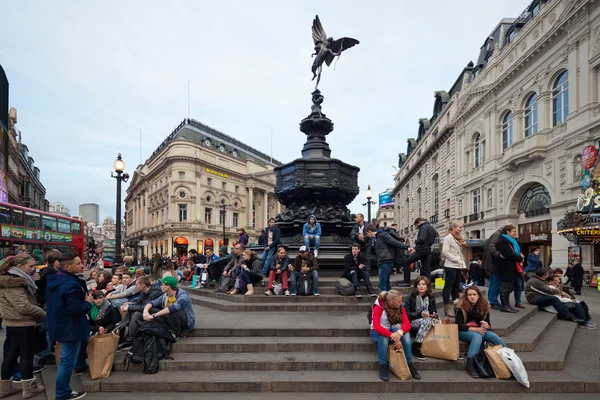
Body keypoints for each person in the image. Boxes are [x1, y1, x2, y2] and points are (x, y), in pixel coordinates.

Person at [0, 254, 46, 399]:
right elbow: (23, 306)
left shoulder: (14, 279)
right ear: (19, 267)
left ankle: (4, 388)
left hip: (13, 322)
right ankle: (29, 388)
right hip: (22, 322)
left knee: (12, 354)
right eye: (31, 266)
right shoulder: (14, 282)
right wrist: (41, 312)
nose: (34, 269)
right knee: (27, 354)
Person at [46, 253, 91, 400]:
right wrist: (88, 302)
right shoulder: (71, 284)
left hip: (59, 325)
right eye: (78, 263)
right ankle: (63, 393)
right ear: (67, 266)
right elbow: (75, 309)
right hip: (70, 328)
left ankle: (63, 390)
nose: (82, 266)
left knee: (66, 360)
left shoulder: (55, 279)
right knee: (66, 362)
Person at [369, 290, 420, 382]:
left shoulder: (400, 307)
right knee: (383, 336)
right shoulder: (378, 307)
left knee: (406, 334)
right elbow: (377, 327)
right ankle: (383, 365)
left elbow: (407, 324)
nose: (401, 303)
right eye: (399, 301)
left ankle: (409, 364)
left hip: (393, 330)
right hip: (377, 332)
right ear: (391, 302)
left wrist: (399, 333)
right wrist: (392, 335)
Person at [456, 286, 506, 378]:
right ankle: (470, 365)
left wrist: (487, 325)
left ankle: (508, 357)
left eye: (474, 294)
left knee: (493, 336)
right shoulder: (461, 306)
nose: (472, 297)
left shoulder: (484, 306)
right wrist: (475, 329)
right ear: (466, 296)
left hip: (480, 330)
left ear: (478, 295)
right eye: (469, 295)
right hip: (464, 331)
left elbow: (489, 325)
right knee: (477, 336)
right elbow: (458, 325)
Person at [525, 269, 589, 327]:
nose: (548, 276)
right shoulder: (536, 281)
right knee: (554, 299)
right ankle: (568, 316)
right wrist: (560, 292)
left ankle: (572, 316)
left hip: (537, 296)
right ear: (543, 275)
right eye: (547, 275)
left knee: (554, 299)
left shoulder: (537, 280)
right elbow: (548, 290)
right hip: (534, 298)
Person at [116, 276, 163, 352]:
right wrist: (130, 304)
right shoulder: (144, 292)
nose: (135, 286)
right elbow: (139, 302)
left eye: (137, 284)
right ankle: (120, 335)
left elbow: (146, 307)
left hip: (157, 313)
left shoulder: (155, 292)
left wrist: (129, 307)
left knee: (137, 314)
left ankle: (129, 340)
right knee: (130, 311)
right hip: (148, 311)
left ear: (143, 285)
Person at [366, 224, 411, 292]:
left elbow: (394, 242)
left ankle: (383, 301)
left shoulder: (382, 235)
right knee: (386, 284)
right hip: (384, 261)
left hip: (386, 261)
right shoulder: (377, 238)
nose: (367, 235)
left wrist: (407, 247)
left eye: (367, 233)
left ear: (369, 231)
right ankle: (388, 299)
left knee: (382, 284)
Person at [404, 277, 437, 361]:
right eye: (419, 284)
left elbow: (433, 310)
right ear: (416, 286)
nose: (421, 286)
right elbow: (406, 315)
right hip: (412, 322)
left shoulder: (431, 297)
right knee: (427, 320)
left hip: (426, 320)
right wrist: (420, 314)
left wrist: (434, 314)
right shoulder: (410, 297)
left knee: (436, 321)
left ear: (427, 286)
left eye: (423, 284)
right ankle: (416, 346)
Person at [494, 224, 524, 313]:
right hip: (505, 267)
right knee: (505, 286)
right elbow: (508, 254)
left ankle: (507, 304)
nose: (515, 233)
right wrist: (519, 258)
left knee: (509, 285)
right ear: (508, 232)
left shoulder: (511, 241)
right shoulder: (503, 241)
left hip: (510, 266)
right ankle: (504, 305)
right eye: (514, 231)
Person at [400, 218, 438, 287]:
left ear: (419, 222)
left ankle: (406, 282)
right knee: (425, 268)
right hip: (428, 249)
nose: (417, 227)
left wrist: (416, 241)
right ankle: (427, 283)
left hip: (421, 250)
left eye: (417, 225)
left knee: (407, 262)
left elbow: (422, 239)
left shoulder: (423, 227)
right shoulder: (431, 227)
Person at [441, 221, 468, 317]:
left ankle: (457, 307)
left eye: (461, 227)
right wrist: (456, 259)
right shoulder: (448, 238)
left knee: (456, 287)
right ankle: (447, 308)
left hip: (458, 265)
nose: (461, 229)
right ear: (454, 227)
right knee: (448, 286)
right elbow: (445, 252)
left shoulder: (458, 238)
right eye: (459, 227)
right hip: (450, 265)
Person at [481, 227, 503, 309]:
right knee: (495, 282)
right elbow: (492, 247)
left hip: (493, 263)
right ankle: (493, 301)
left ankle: (492, 300)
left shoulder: (496, 234)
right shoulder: (497, 234)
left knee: (494, 282)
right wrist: (498, 254)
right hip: (493, 263)